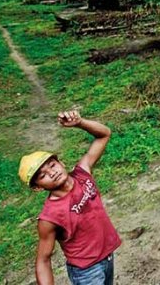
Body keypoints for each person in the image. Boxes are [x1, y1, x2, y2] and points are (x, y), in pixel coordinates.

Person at [18, 110, 120, 285]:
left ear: (61, 163)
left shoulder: (82, 173)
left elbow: (104, 134)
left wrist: (80, 123)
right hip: (87, 272)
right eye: (43, 175)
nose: (52, 172)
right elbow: (43, 260)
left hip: (108, 257)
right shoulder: (49, 217)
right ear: (37, 187)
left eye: (52, 165)